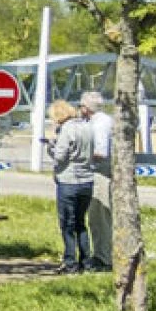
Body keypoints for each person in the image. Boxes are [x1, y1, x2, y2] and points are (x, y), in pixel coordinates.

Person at [48, 99, 95, 274]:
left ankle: (70, 262)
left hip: (69, 181)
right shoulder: (87, 127)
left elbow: (60, 157)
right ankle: (86, 261)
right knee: (81, 223)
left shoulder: (67, 129)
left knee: (67, 224)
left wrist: (51, 147)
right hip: (87, 181)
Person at [79, 91, 115, 270]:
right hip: (104, 173)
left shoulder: (100, 124)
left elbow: (101, 152)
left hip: (101, 174)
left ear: (86, 108)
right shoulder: (104, 120)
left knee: (99, 216)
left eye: (81, 106)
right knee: (100, 216)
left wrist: (81, 157)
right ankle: (104, 255)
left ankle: (103, 258)